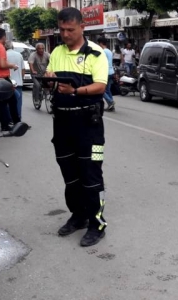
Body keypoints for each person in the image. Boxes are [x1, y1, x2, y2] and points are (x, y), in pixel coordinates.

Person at [44, 7, 109, 247]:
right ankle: (78, 216)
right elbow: (51, 83)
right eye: (61, 29)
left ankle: (97, 224)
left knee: (91, 176)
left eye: (70, 29)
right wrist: (49, 81)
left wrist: (75, 91)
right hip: (62, 125)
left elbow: (100, 86)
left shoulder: (96, 54)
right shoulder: (57, 53)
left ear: (82, 27)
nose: (65, 34)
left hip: (89, 127)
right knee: (70, 176)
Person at [0, 28, 21, 132]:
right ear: (3, 36)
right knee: (13, 100)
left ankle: (6, 124)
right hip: (3, 79)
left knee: (3, 102)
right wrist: (13, 66)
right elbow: (2, 65)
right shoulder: (0, 48)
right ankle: (16, 124)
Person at [5, 41, 25, 121]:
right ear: (12, 47)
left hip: (8, 82)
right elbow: (23, 69)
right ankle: (18, 119)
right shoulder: (19, 55)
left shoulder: (4, 55)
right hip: (18, 82)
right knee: (18, 103)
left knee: (8, 103)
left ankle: (10, 119)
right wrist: (21, 78)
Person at [97, 37, 116, 111]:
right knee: (108, 90)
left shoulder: (103, 51)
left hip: (105, 72)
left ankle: (110, 102)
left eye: (98, 43)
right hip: (111, 72)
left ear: (101, 43)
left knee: (101, 90)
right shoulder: (109, 51)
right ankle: (111, 106)